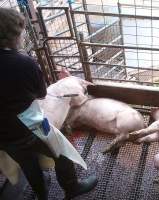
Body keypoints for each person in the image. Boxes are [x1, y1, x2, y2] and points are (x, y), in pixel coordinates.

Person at [0, 8, 97, 200]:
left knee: (28, 163)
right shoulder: (23, 63)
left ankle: (41, 195)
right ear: (13, 35)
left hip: (3, 135)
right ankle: (72, 188)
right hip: (27, 127)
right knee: (62, 151)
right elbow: (41, 94)